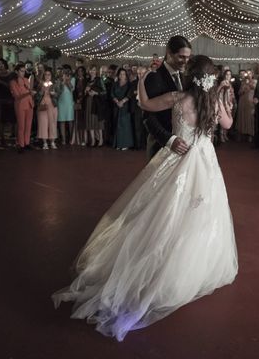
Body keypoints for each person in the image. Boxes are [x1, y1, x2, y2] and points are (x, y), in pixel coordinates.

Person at [52, 55, 237, 342]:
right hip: (205, 163)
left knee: (162, 214)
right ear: (210, 78)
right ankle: (187, 270)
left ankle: (156, 264)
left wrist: (141, 80)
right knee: (201, 216)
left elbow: (146, 104)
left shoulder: (178, 96)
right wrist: (223, 95)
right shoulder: (212, 102)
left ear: (190, 75)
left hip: (178, 160)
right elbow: (227, 124)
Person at [143, 35, 192, 160]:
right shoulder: (154, 77)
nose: (185, 61)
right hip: (161, 145)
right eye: (181, 57)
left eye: (188, 57)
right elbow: (148, 117)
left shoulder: (185, 77)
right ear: (169, 53)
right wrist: (170, 140)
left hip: (183, 146)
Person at [10, 64, 35, 152]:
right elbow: (17, 96)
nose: (23, 73)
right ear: (16, 71)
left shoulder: (26, 80)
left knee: (28, 125)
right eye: (21, 71)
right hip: (20, 105)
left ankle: (27, 143)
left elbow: (29, 91)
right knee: (21, 126)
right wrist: (29, 93)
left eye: (24, 71)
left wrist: (31, 94)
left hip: (29, 104)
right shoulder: (13, 82)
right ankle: (21, 144)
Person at [111, 68, 134, 150]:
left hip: (125, 107)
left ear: (126, 75)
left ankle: (125, 144)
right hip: (117, 106)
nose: (122, 75)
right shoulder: (115, 84)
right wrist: (117, 101)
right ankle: (118, 144)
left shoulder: (129, 84)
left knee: (125, 125)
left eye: (123, 74)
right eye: (120, 74)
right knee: (117, 125)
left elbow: (129, 94)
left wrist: (122, 102)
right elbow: (112, 93)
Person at [36, 68, 58, 150]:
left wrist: (54, 94)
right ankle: (45, 143)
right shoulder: (40, 84)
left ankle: (52, 142)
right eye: (46, 74)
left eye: (49, 74)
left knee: (52, 124)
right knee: (43, 123)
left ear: (51, 76)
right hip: (42, 105)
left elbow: (58, 95)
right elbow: (37, 97)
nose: (47, 76)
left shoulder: (54, 84)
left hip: (52, 105)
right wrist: (42, 91)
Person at [84, 65, 106, 147]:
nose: (92, 71)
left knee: (97, 122)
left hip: (97, 103)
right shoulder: (88, 80)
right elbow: (85, 93)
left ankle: (100, 139)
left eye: (93, 70)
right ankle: (93, 140)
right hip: (89, 102)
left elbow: (104, 92)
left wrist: (96, 93)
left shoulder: (99, 80)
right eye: (91, 70)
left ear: (96, 71)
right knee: (90, 121)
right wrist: (85, 91)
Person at [56, 66, 75, 145]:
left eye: (67, 74)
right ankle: (63, 139)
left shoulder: (73, 80)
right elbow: (58, 92)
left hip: (69, 103)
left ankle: (71, 139)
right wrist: (62, 82)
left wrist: (67, 81)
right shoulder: (58, 81)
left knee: (70, 121)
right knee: (62, 121)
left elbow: (71, 89)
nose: (65, 75)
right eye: (64, 74)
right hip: (61, 103)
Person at [236, 72, 256, 141]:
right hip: (242, 101)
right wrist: (243, 90)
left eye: (250, 73)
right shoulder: (243, 82)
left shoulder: (255, 81)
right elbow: (239, 93)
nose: (248, 74)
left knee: (250, 118)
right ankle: (241, 134)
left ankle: (250, 134)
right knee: (242, 117)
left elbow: (255, 89)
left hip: (250, 102)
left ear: (252, 74)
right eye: (247, 73)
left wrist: (250, 85)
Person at [217, 69, 235, 143]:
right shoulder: (223, 82)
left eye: (229, 74)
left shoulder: (230, 83)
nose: (228, 76)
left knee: (228, 118)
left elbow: (231, 94)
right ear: (224, 75)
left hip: (229, 102)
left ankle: (225, 134)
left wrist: (231, 102)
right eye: (227, 74)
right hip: (223, 102)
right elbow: (219, 92)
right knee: (224, 118)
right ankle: (221, 135)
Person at [72, 66, 87, 146]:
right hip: (77, 102)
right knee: (77, 121)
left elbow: (87, 91)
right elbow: (74, 91)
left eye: (81, 71)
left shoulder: (86, 80)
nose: (80, 72)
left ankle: (84, 139)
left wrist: (82, 99)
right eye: (78, 71)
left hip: (84, 103)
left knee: (84, 121)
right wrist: (76, 99)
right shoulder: (76, 80)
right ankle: (78, 139)